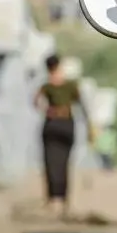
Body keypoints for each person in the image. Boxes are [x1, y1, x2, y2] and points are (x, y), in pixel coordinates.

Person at [35, 54, 91, 219]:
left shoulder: (46, 86)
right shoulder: (70, 85)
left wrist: (48, 110)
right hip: (66, 123)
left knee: (50, 163)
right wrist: (90, 126)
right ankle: (64, 200)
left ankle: (53, 200)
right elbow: (82, 104)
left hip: (51, 124)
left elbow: (35, 101)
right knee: (64, 163)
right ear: (59, 66)